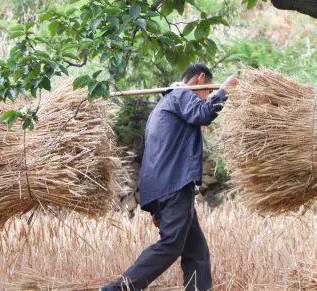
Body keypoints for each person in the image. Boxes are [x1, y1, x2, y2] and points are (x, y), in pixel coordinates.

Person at [100, 64, 239, 291]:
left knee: (196, 252)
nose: (206, 98)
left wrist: (156, 208)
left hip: (162, 184)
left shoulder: (163, 107)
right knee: (172, 245)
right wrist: (223, 91)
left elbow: (158, 154)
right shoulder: (181, 94)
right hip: (174, 184)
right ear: (200, 78)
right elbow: (203, 115)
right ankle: (118, 289)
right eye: (206, 92)